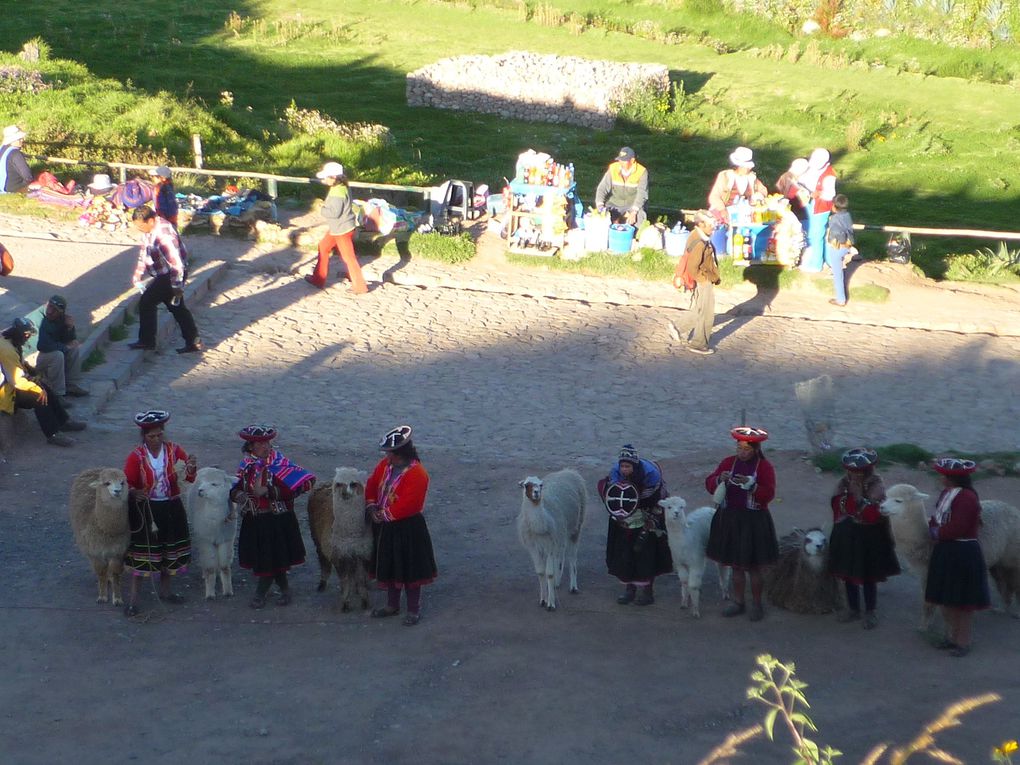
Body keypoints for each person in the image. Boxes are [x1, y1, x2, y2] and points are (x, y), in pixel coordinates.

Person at [231, 425, 315, 609]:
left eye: (267, 442)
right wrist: (240, 495)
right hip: (254, 520)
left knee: (271, 559)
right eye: (260, 444)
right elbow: (235, 488)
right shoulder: (247, 466)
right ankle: (285, 591)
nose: (266, 446)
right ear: (251, 446)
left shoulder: (281, 464)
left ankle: (260, 594)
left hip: (277, 520)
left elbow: (300, 486)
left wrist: (269, 491)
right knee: (270, 559)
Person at [122, 410, 195, 616]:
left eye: (159, 435)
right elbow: (128, 481)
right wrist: (135, 492)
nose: (156, 439)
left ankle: (166, 591)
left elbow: (187, 477)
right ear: (144, 436)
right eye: (151, 436)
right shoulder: (136, 457)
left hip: (171, 508)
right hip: (148, 510)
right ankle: (133, 600)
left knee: (168, 551)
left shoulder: (174, 451)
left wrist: (190, 467)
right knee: (143, 553)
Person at [366, 425, 438, 625]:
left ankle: (413, 609)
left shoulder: (418, 474)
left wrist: (383, 515)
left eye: (389, 452)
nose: (386, 455)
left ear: (399, 453)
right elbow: (372, 485)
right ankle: (392, 605)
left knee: (410, 568)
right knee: (390, 565)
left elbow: (410, 504)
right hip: (387, 526)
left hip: (408, 528)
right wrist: (372, 508)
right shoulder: (385, 466)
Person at [705, 426, 778, 621]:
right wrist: (720, 478)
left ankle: (756, 604)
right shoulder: (728, 463)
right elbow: (710, 483)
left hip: (754, 522)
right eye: (739, 448)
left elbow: (768, 494)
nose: (742, 452)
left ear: (755, 450)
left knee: (753, 566)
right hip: (730, 520)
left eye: (746, 449)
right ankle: (738, 601)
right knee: (736, 565)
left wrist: (751, 485)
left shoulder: (763, 467)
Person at [925, 457, 991, 657]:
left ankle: (963, 642)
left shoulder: (966, 498)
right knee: (949, 599)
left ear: (951, 478)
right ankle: (952, 637)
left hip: (961, 552)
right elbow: (938, 518)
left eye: (943, 475)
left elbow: (957, 527)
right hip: (947, 551)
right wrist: (934, 528)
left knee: (962, 602)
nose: (941, 478)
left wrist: (936, 533)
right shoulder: (948, 494)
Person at [828, 448, 900, 629]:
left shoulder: (877, 486)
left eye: (859, 471)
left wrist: (859, 497)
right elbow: (839, 507)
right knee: (848, 574)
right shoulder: (842, 484)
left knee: (869, 575)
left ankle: (870, 611)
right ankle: (853, 609)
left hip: (870, 537)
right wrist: (852, 500)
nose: (855, 475)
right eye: (852, 471)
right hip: (847, 534)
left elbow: (874, 515)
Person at [598, 444, 673, 606]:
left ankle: (647, 592)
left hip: (647, 517)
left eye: (628, 466)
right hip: (624, 521)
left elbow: (655, 497)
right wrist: (618, 514)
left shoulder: (651, 476)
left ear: (635, 465)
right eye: (622, 466)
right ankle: (629, 590)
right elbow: (613, 495)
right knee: (625, 555)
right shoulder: (615, 475)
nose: (625, 469)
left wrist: (651, 518)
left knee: (646, 556)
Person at [0, 318, 85, 447]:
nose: (27, 338)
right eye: (26, 335)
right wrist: (38, 389)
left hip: (9, 386)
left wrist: (36, 378)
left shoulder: (8, 340)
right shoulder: (7, 350)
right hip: (4, 395)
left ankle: (63, 421)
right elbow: (16, 381)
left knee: (44, 387)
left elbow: (20, 366)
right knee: (39, 396)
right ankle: (52, 434)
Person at [129, 206, 202, 354]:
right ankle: (193, 341)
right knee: (177, 308)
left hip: (170, 276)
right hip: (163, 274)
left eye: (140, 225)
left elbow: (177, 263)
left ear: (150, 220)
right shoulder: (149, 231)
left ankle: (147, 340)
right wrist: (138, 273)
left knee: (147, 302)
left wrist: (176, 286)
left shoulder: (164, 235)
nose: (139, 229)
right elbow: (145, 252)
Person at [304, 161, 368, 294]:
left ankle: (360, 287)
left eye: (326, 177)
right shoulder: (343, 186)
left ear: (334, 177)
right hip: (340, 227)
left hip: (341, 229)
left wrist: (321, 209)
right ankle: (318, 278)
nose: (324, 180)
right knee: (323, 247)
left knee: (348, 257)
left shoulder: (337, 193)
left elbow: (334, 213)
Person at [667, 210, 720, 356]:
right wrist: (704, 280)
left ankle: (678, 327)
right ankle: (699, 343)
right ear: (701, 224)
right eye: (710, 225)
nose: (713, 228)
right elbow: (692, 267)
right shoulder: (700, 242)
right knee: (706, 312)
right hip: (703, 280)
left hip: (703, 278)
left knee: (699, 308)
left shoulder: (695, 235)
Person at [706, 147, 768, 255]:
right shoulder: (725, 176)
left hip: (744, 210)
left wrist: (759, 196)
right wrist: (722, 209)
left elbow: (763, 190)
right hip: (725, 209)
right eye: (746, 166)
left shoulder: (752, 178)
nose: (748, 169)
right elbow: (714, 196)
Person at [34, 294, 89, 402]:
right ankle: (57, 394)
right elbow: (43, 346)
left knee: (74, 349)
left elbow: (71, 340)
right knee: (57, 355)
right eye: (49, 307)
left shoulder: (62, 319)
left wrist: (69, 328)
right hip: (38, 356)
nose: (49, 311)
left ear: (60, 312)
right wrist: (64, 347)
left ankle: (71, 385)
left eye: (54, 309)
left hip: (52, 351)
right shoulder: (43, 321)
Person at [799, 148, 837, 272]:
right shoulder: (811, 168)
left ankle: (815, 264)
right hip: (809, 204)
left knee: (816, 235)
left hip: (820, 208)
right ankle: (825, 259)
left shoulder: (829, 176)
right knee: (812, 233)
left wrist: (819, 193)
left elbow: (830, 195)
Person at [594, 147, 649, 226]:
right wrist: (600, 205)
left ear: (632, 160)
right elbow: (602, 188)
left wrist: (634, 211)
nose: (621, 163)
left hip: (633, 204)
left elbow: (642, 194)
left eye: (624, 161)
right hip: (614, 203)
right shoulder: (613, 168)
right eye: (620, 160)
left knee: (639, 219)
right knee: (604, 221)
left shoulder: (642, 171)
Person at [825, 194, 854, 307]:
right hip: (847, 246)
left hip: (838, 247)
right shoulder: (847, 215)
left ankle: (840, 299)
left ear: (834, 207)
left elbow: (838, 234)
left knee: (838, 274)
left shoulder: (834, 219)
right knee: (838, 270)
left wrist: (836, 241)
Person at [0, 125, 33, 195]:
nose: (22, 140)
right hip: (12, 188)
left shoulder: (2, 148)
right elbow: (28, 177)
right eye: (19, 139)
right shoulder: (16, 154)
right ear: (12, 140)